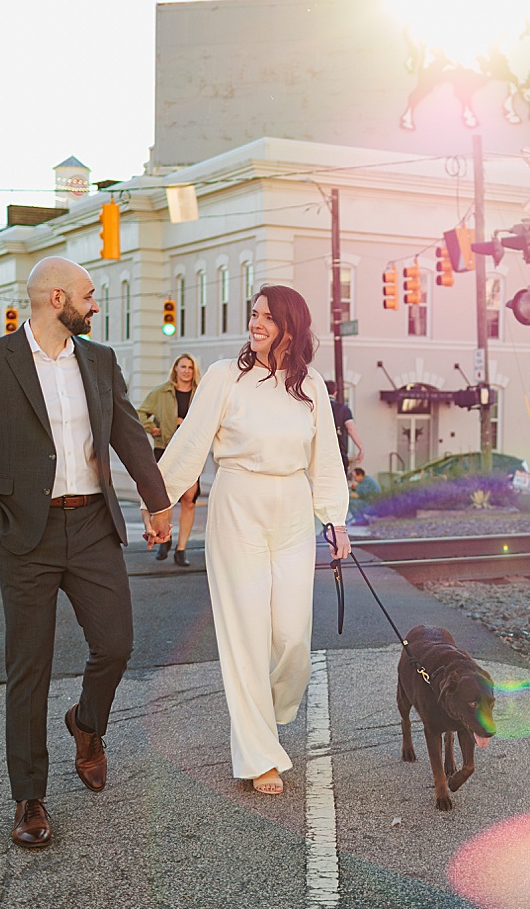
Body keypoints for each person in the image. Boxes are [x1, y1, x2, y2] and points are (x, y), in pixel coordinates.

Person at [0, 256, 174, 849]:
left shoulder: (99, 360)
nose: (96, 306)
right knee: (30, 667)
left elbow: (126, 432)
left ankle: (86, 725)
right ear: (58, 297)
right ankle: (30, 797)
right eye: (90, 297)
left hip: (93, 524)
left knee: (117, 643)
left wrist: (158, 500)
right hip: (24, 535)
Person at [157, 284, 349, 795]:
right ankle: (258, 752)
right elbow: (191, 442)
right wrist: (160, 503)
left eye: (267, 317)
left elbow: (325, 456)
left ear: (292, 326)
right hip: (237, 503)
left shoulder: (310, 384)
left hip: (291, 509)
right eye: (254, 315)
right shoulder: (225, 376)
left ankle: (272, 707)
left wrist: (335, 519)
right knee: (244, 633)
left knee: (291, 638)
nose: (256, 324)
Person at [137, 352, 202, 565]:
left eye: (190, 368)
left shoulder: (200, 394)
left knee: (189, 500)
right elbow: (139, 413)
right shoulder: (161, 392)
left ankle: (181, 549)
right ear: (175, 368)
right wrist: (152, 428)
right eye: (182, 366)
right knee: (165, 500)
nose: (186, 371)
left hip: (190, 451)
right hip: (164, 449)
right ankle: (166, 539)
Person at [325, 379, 363, 473]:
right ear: (335, 392)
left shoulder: (316, 408)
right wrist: (361, 447)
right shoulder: (343, 409)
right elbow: (351, 429)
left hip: (320, 454)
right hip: (339, 453)